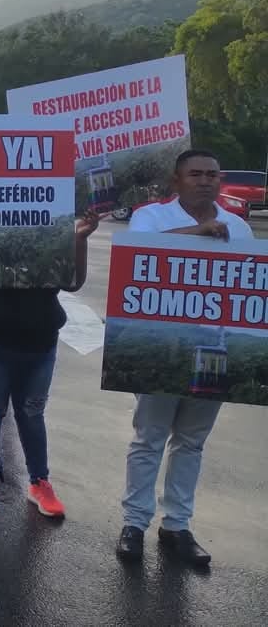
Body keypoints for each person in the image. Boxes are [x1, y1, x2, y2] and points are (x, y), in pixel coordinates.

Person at [115, 149, 253, 567]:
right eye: (196, 174)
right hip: (161, 347)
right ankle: (134, 523)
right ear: (177, 180)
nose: (206, 181)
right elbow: (136, 253)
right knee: (149, 438)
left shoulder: (239, 226)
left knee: (191, 442)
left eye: (212, 174)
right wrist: (197, 233)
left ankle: (177, 525)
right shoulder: (151, 217)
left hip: (213, 348)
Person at [0, 209, 100, 519]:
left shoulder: (50, 231)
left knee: (31, 414)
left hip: (40, 344)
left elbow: (73, 282)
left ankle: (40, 481)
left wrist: (80, 239)